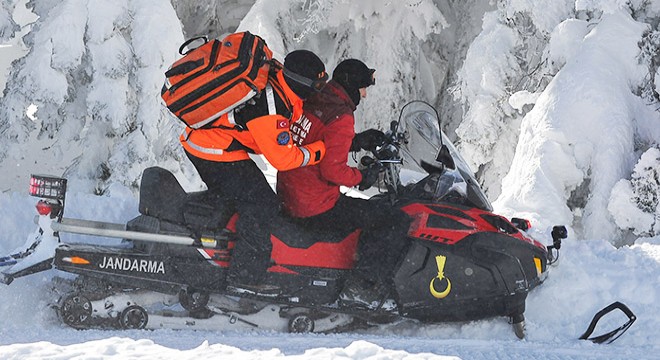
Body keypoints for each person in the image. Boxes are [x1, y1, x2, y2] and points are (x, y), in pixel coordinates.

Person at [180, 50, 329, 292]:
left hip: (217, 143)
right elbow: (283, 159)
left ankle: (215, 251)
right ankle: (244, 278)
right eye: (317, 84)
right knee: (262, 204)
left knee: (241, 197)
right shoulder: (270, 108)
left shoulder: (279, 81)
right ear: (301, 84)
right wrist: (321, 150)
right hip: (213, 150)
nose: (320, 89)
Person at [276, 59, 412, 308]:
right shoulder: (341, 115)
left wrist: (357, 141)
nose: (364, 95)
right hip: (314, 206)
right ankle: (362, 287)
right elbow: (332, 170)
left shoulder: (319, 99)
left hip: (292, 193)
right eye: (363, 88)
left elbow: (321, 141)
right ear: (351, 87)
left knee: (371, 211)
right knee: (392, 219)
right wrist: (362, 177)